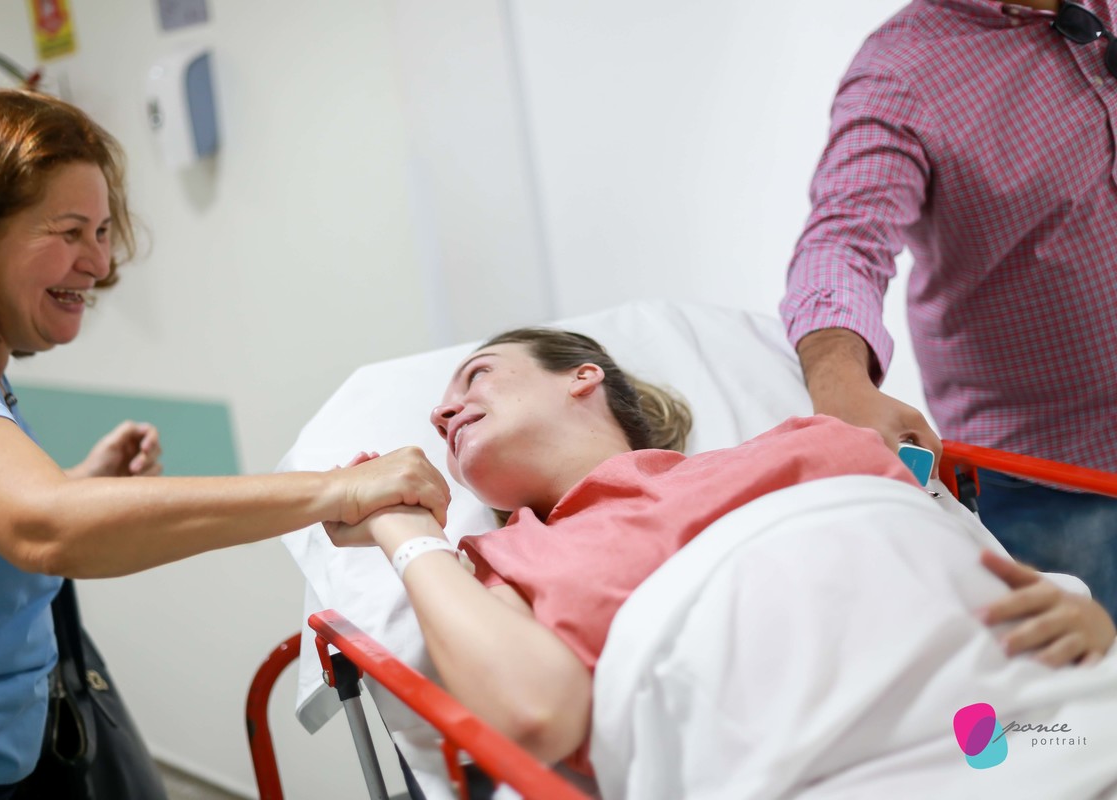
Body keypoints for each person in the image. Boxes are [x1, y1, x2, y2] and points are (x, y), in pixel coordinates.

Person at [0, 89, 450, 798]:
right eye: (69, 231)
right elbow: (41, 528)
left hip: (5, 747)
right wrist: (336, 490)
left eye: (102, 231)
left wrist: (78, 485)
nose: (98, 263)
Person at [323, 326, 1116, 780]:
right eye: (438, 414)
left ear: (583, 377)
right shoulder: (505, 559)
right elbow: (535, 715)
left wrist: (1094, 627)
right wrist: (402, 526)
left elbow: (967, 575)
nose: (443, 412)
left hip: (1029, 726)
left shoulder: (816, 441)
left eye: (476, 377)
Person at [778, 0, 1117, 620]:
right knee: (1081, 675)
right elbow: (843, 244)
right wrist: (838, 381)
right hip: (1048, 482)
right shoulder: (900, 74)